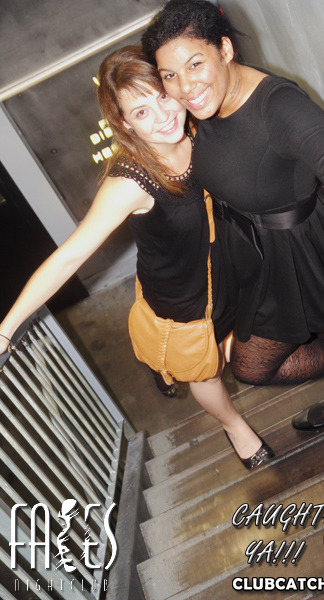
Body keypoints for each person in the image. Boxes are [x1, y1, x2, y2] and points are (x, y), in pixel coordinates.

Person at [0, 46, 273, 469]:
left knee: (227, 345)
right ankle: (234, 425)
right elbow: (69, 257)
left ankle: (163, 364)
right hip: (181, 298)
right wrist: (6, 330)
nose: (163, 117)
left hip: (229, 267)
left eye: (162, 96)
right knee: (204, 370)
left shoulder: (200, 127)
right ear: (125, 124)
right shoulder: (130, 183)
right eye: (142, 112)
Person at [142, 0, 324, 430]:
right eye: (170, 75)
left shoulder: (278, 104)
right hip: (248, 242)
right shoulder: (205, 103)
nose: (184, 86)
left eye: (195, 64)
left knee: (253, 366)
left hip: (294, 245)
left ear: (225, 49)